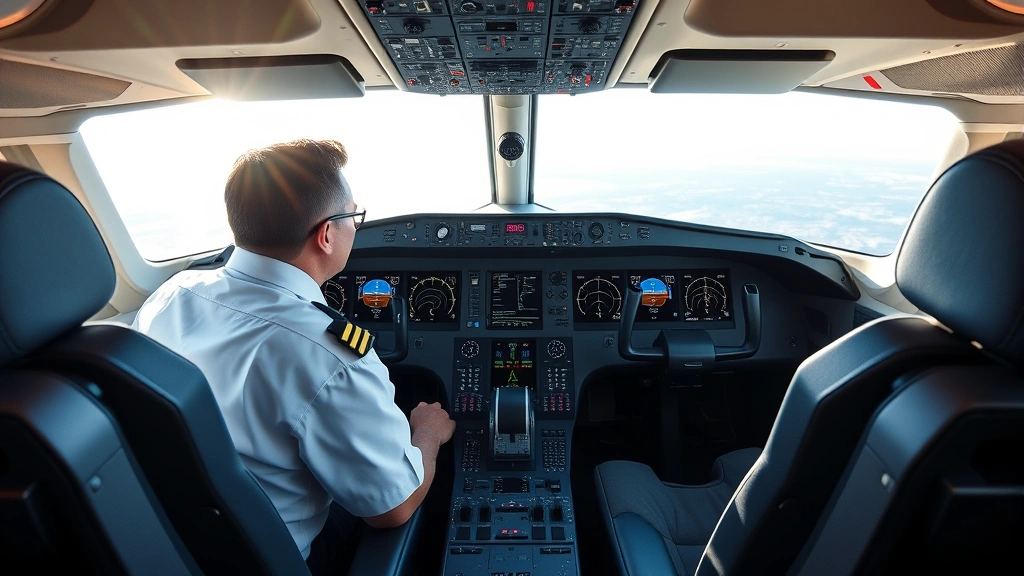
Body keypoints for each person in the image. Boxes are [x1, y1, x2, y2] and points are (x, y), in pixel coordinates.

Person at [132, 139, 455, 573]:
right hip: (268, 557)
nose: (356, 226)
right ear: (325, 235)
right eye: (353, 216)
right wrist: (428, 434)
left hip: (168, 540)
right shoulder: (331, 357)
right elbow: (391, 509)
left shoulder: (172, 294)